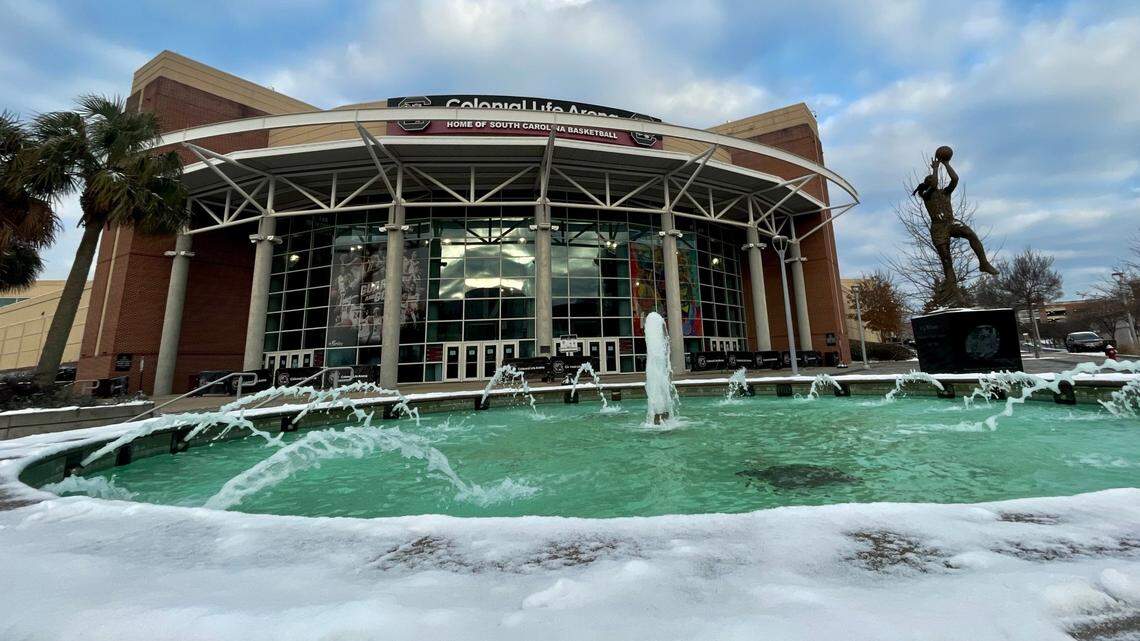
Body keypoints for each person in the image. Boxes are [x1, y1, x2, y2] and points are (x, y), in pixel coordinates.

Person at [914, 157, 999, 278]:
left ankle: (984, 263)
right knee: (946, 259)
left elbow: (955, 179)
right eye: (930, 179)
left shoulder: (945, 192)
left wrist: (946, 164)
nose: (933, 179)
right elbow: (934, 184)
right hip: (938, 228)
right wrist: (935, 169)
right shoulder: (926, 195)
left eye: (933, 177)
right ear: (926, 184)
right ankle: (950, 282)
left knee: (971, 234)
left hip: (951, 222)